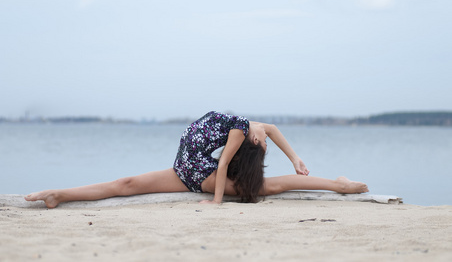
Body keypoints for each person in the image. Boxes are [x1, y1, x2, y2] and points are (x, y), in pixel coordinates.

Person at [25, 111, 368, 208]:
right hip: (182, 170)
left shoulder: (238, 135)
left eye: (261, 143)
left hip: (201, 175)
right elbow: (273, 128)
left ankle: (339, 185)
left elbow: (220, 167)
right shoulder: (253, 127)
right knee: (124, 184)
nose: (264, 137)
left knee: (270, 187)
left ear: (249, 145)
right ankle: (60, 193)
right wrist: (295, 157)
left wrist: (216, 203)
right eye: (263, 141)